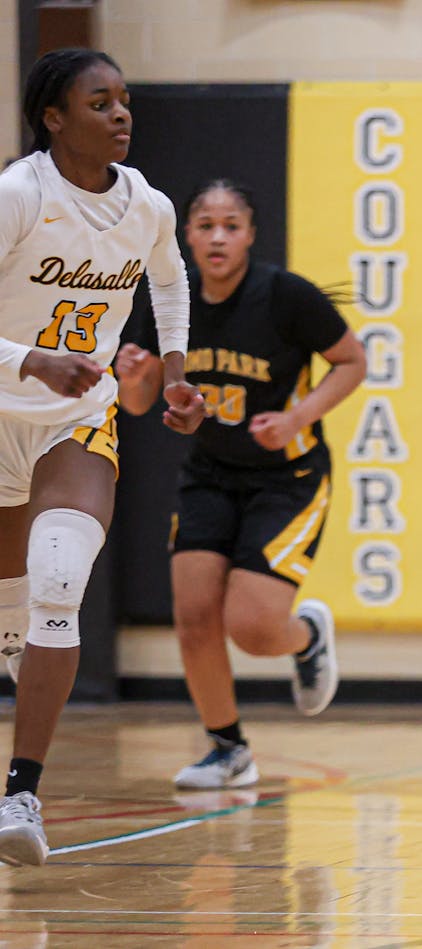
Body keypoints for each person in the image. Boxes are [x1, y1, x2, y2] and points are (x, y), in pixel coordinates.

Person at [0, 48, 205, 866]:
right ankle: (16, 644)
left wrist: (179, 374)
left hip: (75, 423)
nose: (121, 114)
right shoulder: (19, 196)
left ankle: (21, 794)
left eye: (124, 101)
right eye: (99, 103)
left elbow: (170, 278)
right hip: (3, 402)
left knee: (58, 580)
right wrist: (30, 358)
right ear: (54, 118)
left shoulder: (146, 204)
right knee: (14, 614)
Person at [116, 179, 365, 791]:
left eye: (231, 224)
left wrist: (297, 417)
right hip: (211, 473)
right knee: (195, 615)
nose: (218, 236)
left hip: (289, 477)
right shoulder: (171, 302)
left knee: (252, 630)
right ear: (188, 236)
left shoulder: (285, 297)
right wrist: (131, 376)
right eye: (205, 225)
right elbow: (143, 400)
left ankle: (305, 637)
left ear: (251, 234)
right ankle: (228, 749)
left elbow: (353, 361)